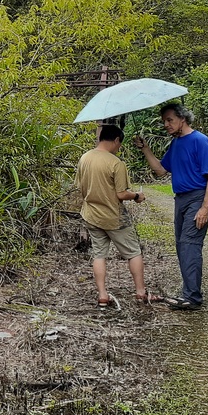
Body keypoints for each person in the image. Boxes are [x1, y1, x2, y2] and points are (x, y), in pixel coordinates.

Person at [134, 103, 208, 311]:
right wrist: (145, 148)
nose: (166, 124)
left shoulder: (200, 140)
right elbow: (161, 170)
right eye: (164, 121)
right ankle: (188, 293)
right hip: (180, 199)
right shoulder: (176, 144)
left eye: (170, 120)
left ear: (183, 118)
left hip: (197, 198)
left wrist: (205, 208)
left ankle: (192, 297)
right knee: (182, 245)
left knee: (190, 244)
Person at [75, 124, 148, 308]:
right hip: (114, 217)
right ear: (116, 140)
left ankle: (102, 295)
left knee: (99, 254)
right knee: (133, 252)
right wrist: (137, 196)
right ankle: (140, 292)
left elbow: (80, 187)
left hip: (91, 215)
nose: (119, 147)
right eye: (119, 143)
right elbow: (121, 194)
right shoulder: (116, 163)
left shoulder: (84, 158)